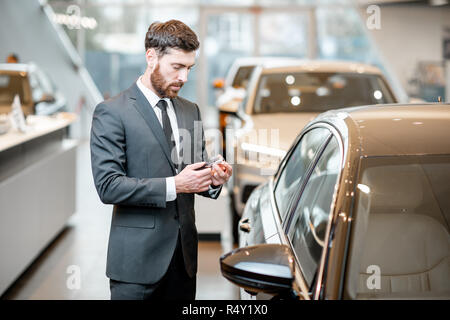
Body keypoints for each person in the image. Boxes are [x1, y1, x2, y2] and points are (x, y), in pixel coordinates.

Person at [90, 20, 232, 300]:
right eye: (177, 67)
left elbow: (194, 171)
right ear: (151, 57)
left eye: (189, 68)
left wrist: (212, 178)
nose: (184, 78)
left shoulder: (190, 110)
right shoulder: (112, 112)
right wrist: (175, 185)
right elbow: (108, 186)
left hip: (184, 261)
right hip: (136, 264)